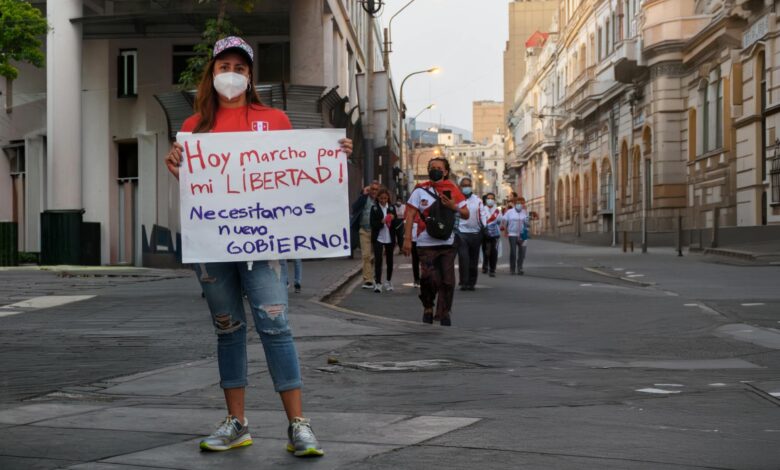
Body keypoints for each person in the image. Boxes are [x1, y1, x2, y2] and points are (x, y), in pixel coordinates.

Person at [164, 36, 353, 458]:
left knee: (276, 327)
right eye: (224, 65)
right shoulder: (195, 128)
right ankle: (237, 423)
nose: (232, 72)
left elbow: (298, 171)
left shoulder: (275, 120)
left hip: (262, 246)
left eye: (241, 66)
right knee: (227, 329)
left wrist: (333, 154)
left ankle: (298, 424)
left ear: (251, 76)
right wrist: (176, 163)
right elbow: (200, 190)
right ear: (211, 72)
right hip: (214, 246)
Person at [402, 157, 469, 326]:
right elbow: (409, 215)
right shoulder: (420, 190)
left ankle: (444, 312)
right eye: (432, 167)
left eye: (439, 168)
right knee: (428, 278)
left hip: (447, 243)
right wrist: (407, 239)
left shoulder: (453, 189)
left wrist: (453, 206)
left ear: (445, 172)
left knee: (447, 281)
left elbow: (466, 213)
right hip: (425, 243)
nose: (435, 170)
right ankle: (428, 306)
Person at [455, 177, 486, 291]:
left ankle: (472, 282)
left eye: (468, 185)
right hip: (461, 233)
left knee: (473, 260)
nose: (466, 187)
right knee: (463, 259)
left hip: (476, 233)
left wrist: (484, 226)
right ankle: (464, 281)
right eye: (464, 185)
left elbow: (482, 214)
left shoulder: (477, 200)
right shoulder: (457, 199)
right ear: (460, 187)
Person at [350, 181, 380, 289]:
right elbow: (354, 208)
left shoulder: (380, 200)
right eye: (372, 189)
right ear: (369, 190)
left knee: (378, 256)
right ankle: (368, 279)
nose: (374, 192)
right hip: (364, 230)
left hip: (377, 232)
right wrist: (363, 193)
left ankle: (378, 277)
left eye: (376, 190)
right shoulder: (364, 198)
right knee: (366, 256)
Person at [370, 187, 398, 293]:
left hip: (389, 237)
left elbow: (395, 225)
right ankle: (378, 283)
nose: (383, 200)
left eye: (385, 198)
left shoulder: (391, 208)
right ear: (378, 198)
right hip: (379, 237)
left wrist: (393, 219)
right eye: (381, 198)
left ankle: (388, 281)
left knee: (390, 260)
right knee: (378, 260)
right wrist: (382, 221)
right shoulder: (375, 208)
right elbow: (372, 224)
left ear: (388, 198)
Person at [502, 196, 530, 275]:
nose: (520, 205)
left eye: (521, 203)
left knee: (522, 252)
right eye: (518, 203)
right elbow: (505, 220)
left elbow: (527, 224)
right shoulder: (510, 212)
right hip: (512, 234)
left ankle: (520, 267)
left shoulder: (525, 212)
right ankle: (512, 268)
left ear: (523, 204)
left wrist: (527, 231)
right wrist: (505, 229)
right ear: (515, 204)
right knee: (513, 252)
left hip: (522, 235)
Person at [481, 193, 502, 277]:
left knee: (493, 251)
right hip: (484, 233)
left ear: (494, 200)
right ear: (486, 200)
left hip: (494, 234)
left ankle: (492, 269)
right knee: (485, 250)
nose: (490, 200)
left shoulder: (497, 211)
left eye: (492, 198)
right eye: (488, 198)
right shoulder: (482, 209)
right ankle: (485, 265)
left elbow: (499, 221)